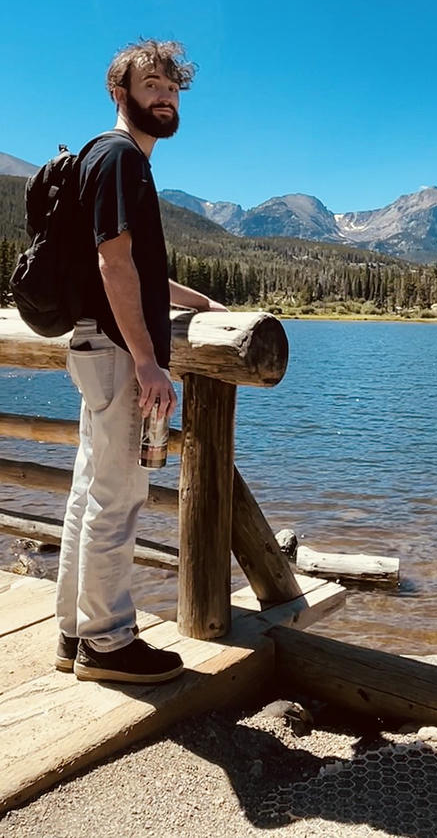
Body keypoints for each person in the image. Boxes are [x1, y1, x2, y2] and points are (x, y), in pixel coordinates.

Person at [55, 39, 226, 684]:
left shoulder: (110, 158)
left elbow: (141, 269)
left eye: (173, 88)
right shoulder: (123, 155)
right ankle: (107, 642)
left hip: (96, 347)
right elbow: (113, 263)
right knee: (120, 496)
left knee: (91, 490)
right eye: (150, 85)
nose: (164, 96)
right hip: (119, 350)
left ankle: (75, 633)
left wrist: (199, 300)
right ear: (120, 94)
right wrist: (150, 362)